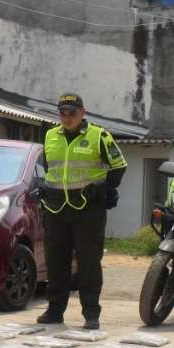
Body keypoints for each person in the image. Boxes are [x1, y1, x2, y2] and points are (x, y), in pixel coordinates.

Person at [36, 93, 127, 329]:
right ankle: (55, 311)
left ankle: (91, 314)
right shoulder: (49, 136)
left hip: (88, 210)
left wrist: (106, 189)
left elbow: (119, 166)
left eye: (72, 113)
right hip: (56, 209)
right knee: (56, 263)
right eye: (63, 113)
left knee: (88, 264)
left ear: (83, 113)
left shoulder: (99, 136)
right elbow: (50, 169)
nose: (67, 118)